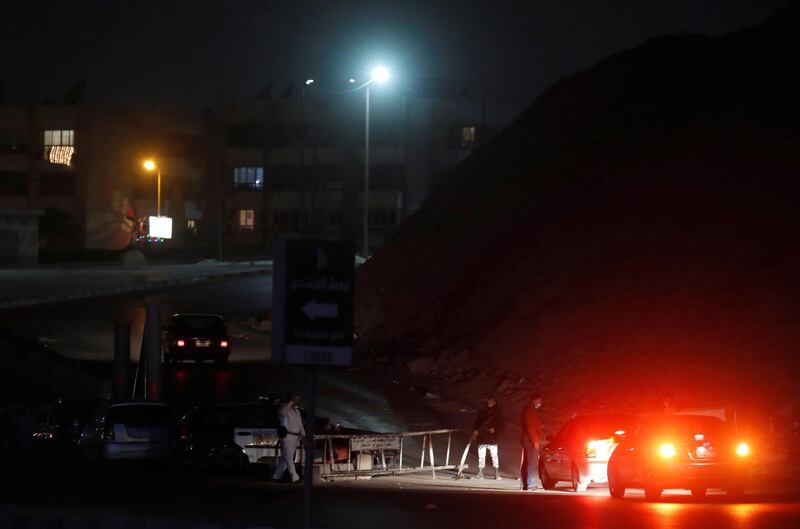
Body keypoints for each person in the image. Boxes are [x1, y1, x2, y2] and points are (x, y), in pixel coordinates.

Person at [273, 393, 305, 483]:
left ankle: (277, 475)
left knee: (286, 457)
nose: (296, 401)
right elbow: (282, 412)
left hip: (295, 436)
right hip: (287, 435)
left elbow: (300, 424)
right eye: (294, 399)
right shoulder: (284, 408)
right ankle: (295, 477)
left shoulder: (297, 411)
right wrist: (290, 403)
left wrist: (303, 435)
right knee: (289, 457)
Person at [472, 396, 505, 480]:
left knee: (494, 456)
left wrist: (495, 429)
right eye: (488, 401)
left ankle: (496, 473)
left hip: (492, 438)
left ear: (495, 402)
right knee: (481, 456)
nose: (489, 403)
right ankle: (480, 473)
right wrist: (474, 433)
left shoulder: (498, 413)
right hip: (482, 437)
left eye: (491, 401)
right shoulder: (482, 412)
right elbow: (477, 423)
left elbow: (502, 426)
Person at [520, 393, 544, 490]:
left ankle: (525, 483)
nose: (540, 403)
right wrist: (535, 441)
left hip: (527, 439)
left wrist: (539, 426)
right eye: (539, 401)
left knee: (527, 462)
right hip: (530, 441)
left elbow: (531, 425)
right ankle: (531, 483)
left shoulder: (527, 410)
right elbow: (530, 427)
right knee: (532, 463)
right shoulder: (531, 411)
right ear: (535, 400)